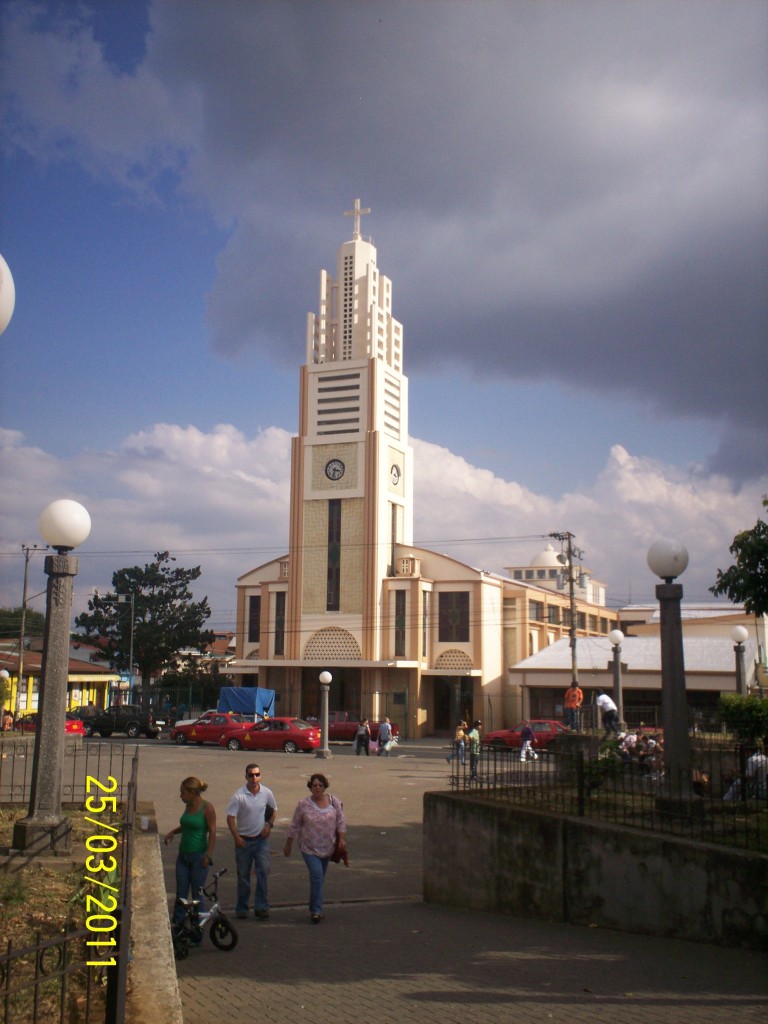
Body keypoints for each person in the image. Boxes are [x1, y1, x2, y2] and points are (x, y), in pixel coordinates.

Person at [283, 772, 347, 924]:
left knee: (319, 879)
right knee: (317, 876)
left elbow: (341, 821)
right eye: (314, 786)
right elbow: (295, 825)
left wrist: (342, 839)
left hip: (327, 847)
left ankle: (314, 907)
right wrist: (288, 844)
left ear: (325, 787)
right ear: (310, 788)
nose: (317, 788)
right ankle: (316, 911)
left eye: (320, 785)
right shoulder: (303, 805)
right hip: (309, 848)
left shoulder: (333, 801)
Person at [226, 763, 277, 920]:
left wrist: (269, 825)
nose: (254, 778)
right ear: (246, 777)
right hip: (244, 842)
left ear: (260, 775)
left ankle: (261, 906)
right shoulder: (238, 796)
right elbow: (230, 818)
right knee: (243, 876)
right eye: (251, 775)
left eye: (257, 774)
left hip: (261, 841)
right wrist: (236, 837)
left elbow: (274, 810)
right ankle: (242, 907)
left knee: (263, 872)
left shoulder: (267, 793)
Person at [164, 776, 216, 926]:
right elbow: (187, 824)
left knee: (197, 895)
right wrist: (173, 832)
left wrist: (208, 855)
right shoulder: (188, 805)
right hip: (183, 856)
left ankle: (196, 930)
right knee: (181, 894)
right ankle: (178, 927)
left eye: (183, 792)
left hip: (198, 857)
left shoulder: (207, 808)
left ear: (192, 792)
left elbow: (212, 832)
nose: (181, 796)